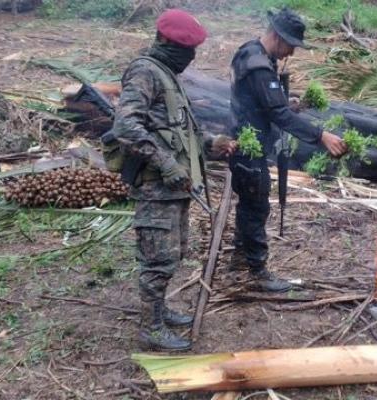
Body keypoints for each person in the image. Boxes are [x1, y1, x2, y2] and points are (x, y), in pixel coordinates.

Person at [112, 9, 235, 351]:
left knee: (174, 255)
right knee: (158, 260)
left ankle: (160, 310)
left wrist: (211, 144)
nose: (190, 56)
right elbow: (126, 127)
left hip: (175, 187)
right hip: (156, 186)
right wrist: (166, 164)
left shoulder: (167, 74)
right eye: (184, 47)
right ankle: (150, 327)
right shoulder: (144, 72)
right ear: (164, 40)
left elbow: (178, 130)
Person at [229, 8, 347, 292]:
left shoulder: (249, 52)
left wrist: (282, 102)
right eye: (291, 45)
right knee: (256, 206)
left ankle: (238, 257)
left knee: (248, 202)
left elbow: (266, 104)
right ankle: (257, 271)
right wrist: (321, 136)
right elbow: (278, 114)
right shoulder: (259, 65)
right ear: (278, 37)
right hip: (249, 148)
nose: (291, 53)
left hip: (246, 141)